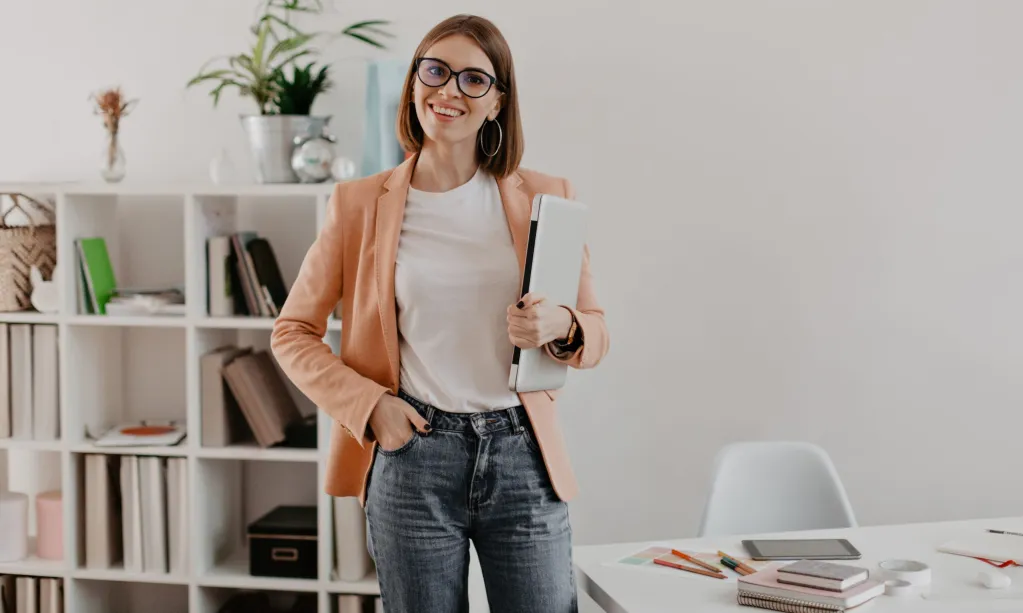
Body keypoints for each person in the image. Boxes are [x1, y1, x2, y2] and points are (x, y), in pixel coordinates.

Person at [270, 13, 609, 613]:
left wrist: (562, 326)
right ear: (413, 83)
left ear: (498, 101)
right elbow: (292, 332)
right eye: (435, 71)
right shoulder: (358, 205)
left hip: (522, 454)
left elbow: (596, 329)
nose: (449, 90)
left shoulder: (547, 197)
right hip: (414, 458)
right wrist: (370, 407)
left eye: (473, 79)